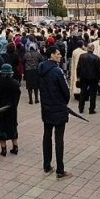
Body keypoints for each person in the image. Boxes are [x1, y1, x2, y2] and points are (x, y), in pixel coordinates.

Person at [38, 46, 72, 179]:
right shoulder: (57, 71)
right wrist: (63, 102)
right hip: (58, 108)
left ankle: (47, 165)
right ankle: (60, 170)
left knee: (47, 136)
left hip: (46, 107)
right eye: (57, 54)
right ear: (51, 55)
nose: (60, 56)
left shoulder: (40, 69)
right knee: (59, 139)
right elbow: (66, 92)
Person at [0, 64, 21, 156]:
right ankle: (15, 147)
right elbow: (17, 97)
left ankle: (4, 149)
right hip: (11, 110)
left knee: (1, 129)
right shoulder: (15, 83)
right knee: (13, 127)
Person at [77, 43, 100, 114]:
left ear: (87, 48)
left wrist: (78, 76)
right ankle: (91, 109)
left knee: (82, 93)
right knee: (93, 94)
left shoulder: (82, 56)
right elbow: (98, 69)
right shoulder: (96, 58)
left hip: (83, 77)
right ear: (93, 48)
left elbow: (78, 67)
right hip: (93, 78)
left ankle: (81, 108)